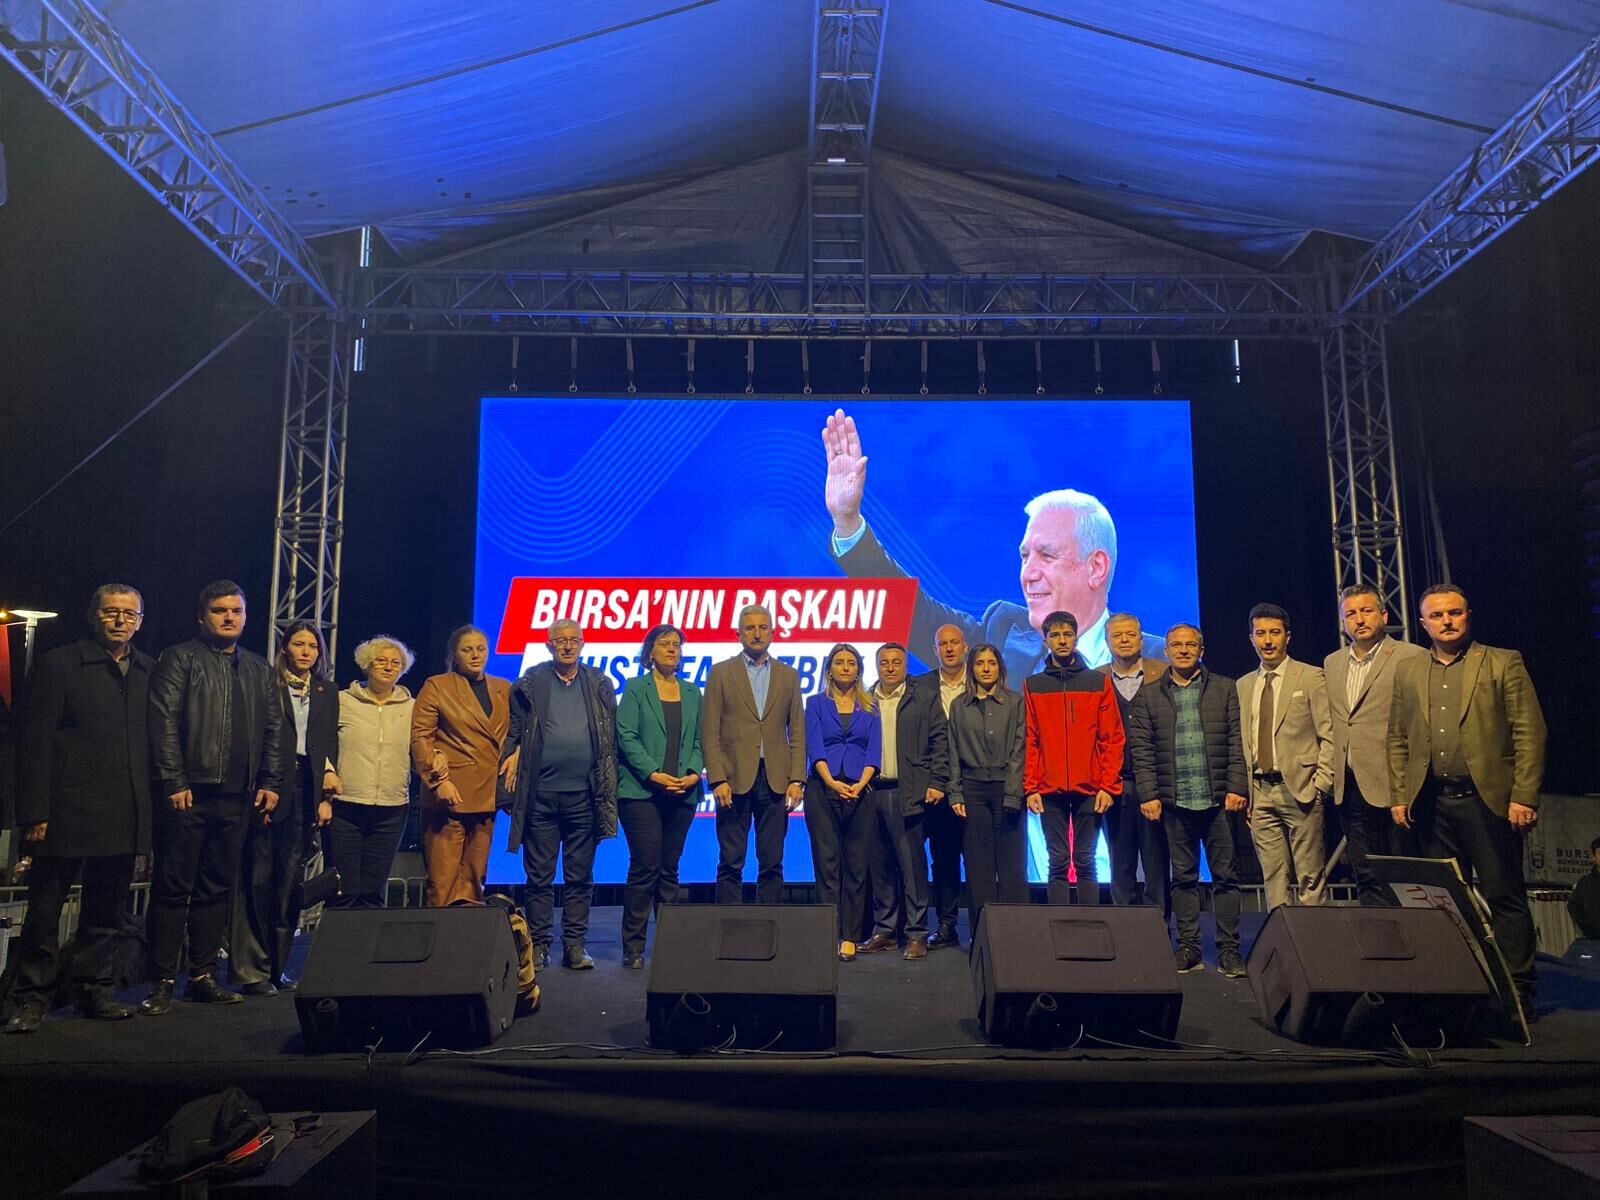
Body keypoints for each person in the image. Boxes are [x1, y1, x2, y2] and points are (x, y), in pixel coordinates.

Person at [822, 409, 1164, 677]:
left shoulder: (1162, 658)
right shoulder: (1001, 635)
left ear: (1096, 567)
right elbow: (914, 614)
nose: (1029, 574)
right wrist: (848, 523)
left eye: (1047, 556)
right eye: (1025, 557)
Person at [1388, 584, 1547, 1013]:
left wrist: (1524, 796)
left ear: (1468, 615)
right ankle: (1458, 987)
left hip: (1487, 802)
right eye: (1437, 615)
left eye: (1454, 613)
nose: (1447, 621)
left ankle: (1517, 990)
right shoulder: (1408, 671)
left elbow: (1529, 732)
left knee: (1503, 895)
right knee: (1443, 902)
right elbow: (1397, 737)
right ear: (1423, 623)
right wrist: (1400, 794)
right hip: (1431, 804)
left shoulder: (1502, 662)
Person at [8, 586, 153, 1032]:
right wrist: (34, 811)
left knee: (107, 913)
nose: (120, 620)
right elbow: (33, 743)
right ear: (93, 616)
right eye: (111, 612)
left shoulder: (149, 670)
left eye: (129, 613)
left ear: (140, 621)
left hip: (123, 811)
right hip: (63, 809)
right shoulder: (59, 664)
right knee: (44, 913)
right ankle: (31, 998)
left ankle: (94, 989)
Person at [142, 581, 284, 1014]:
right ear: (202, 616)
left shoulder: (258, 668)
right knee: (173, 887)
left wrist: (271, 781)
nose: (229, 617)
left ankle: (202, 976)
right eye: (220, 610)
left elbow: (274, 730)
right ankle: (162, 980)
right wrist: (173, 780)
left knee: (216, 888)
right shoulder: (179, 657)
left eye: (236, 611)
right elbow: (163, 721)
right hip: (189, 793)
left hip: (238, 796)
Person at [1127, 623, 1248, 977]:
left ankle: (1229, 950)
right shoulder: (1149, 695)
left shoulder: (1225, 688)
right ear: (1165, 651)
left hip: (1218, 801)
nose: (1183, 650)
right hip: (1174, 802)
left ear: (1201, 650)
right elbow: (1142, 751)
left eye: (1190, 645)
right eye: (1176, 645)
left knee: (1225, 878)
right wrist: (1149, 794)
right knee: (1183, 878)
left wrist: (1237, 787)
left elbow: (1238, 741)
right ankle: (1190, 948)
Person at [229, 621, 339, 995]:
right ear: (285, 648)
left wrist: (326, 798)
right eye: (298, 644)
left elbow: (328, 744)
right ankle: (251, 970)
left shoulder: (326, 691)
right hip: (271, 784)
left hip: (307, 789)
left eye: (313, 645)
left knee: (289, 882)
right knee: (258, 878)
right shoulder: (267, 683)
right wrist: (265, 782)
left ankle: (278, 968)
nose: (306, 651)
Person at [502, 620, 618, 969]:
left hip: (585, 796)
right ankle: (539, 945)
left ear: (582, 644)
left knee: (580, 877)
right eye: (560, 641)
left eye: (574, 640)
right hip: (540, 796)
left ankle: (575, 946)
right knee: (539, 877)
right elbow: (515, 732)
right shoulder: (530, 683)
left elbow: (610, 736)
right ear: (549, 645)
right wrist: (510, 762)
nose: (567, 646)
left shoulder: (599, 683)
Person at [1323, 585, 1426, 906]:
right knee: (1365, 873)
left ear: (1383, 614)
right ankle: (1378, 933)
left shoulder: (1411, 656)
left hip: (1395, 784)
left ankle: (1412, 933)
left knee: (1405, 874)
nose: (1359, 619)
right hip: (1350, 784)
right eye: (1350, 614)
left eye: (1366, 611)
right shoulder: (1332, 662)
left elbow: (1419, 722)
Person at [702, 605, 807, 905]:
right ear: (738, 634)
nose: (757, 633)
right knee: (730, 861)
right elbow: (709, 730)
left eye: (763, 628)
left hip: (776, 780)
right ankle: (727, 924)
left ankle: (769, 924)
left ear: (773, 633)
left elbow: (797, 731)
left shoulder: (788, 675)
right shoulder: (720, 673)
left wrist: (797, 779)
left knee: (772, 862)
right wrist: (717, 779)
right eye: (750, 628)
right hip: (732, 780)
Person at [615, 624, 702, 969]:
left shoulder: (693, 692)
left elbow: (701, 739)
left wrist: (693, 772)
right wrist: (653, 773)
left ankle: (669, 946)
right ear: (650, 651)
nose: (671, 649)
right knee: (645, 866)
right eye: (664, 644)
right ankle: (633, 947)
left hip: (683, 792)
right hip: (641, 792)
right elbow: (626, 736)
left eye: (676, 644)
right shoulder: (635, 688)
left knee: (669, 869)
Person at [1237, 604, 1334, 911]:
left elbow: (1329, 734)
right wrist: (1248, 793)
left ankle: (1314, 937)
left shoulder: (1310, 677)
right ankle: (1282, 935)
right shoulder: (1244, 685)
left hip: (1301, 789)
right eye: (1261, 633)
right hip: (1260, 791)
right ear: (1251, 638)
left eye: (1274, 633)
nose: (1268, 641)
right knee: (1273, 877)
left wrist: (1321, 785)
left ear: (1287, 637)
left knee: (1310, 877)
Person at [1023, 610, 1123, 905]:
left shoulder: (1097, 682)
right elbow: (1030, 739)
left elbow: (1112, 737)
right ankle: (1058, 924)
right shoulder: (1033, 685)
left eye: (1067, 634)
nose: (1062, 640)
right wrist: (1030, 787)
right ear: (1045, 641)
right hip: (1048, 788)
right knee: (1056, 861)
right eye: (1055, 635)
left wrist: (1108, 786)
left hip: (1090, 788)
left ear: (1076, 638)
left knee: (1085, 860)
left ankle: (1090, 924)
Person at [410, 625, 510, 908]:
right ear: (455, 655)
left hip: (488, 795)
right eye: (467, 650)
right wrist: (438, 782)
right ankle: (440, 936)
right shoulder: (437, 685)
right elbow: (420, 737)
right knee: (442, 882)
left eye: (481, 649)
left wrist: (515, 756)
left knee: (475, 878)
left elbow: (516, 733)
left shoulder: (503, 688)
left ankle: (467, 934)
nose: (476, 655)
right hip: (449, 796)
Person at [860, 642, 946, 961]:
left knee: (912, 867)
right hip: (871, 793)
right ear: (877, 665)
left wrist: (937, 782)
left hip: (908, 791)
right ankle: (885, 930)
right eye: (885, 662)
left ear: (905, 665)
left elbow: (940, 741)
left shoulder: (924, 697)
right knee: (879, 866)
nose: (891, 667)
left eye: (897, 662)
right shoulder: (864, 699)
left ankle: (917, 933)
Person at [323, 635, 415, 910]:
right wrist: (327, 771)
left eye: (395, 663)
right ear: (366, 664)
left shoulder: (413, 707)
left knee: (373, 891)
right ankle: (337, 939)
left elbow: (425, 745)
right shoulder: (342, 700)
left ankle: (368, 939)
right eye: (381, 661)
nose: (388, 667)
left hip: (392, 809)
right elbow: (321, 741)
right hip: (346, 806)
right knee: (343, 890)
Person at [804, 643, 882, 961]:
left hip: (861, 790)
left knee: (857, 866)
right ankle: (828, 934)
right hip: (823, 789)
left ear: (858, 670)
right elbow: (814, 746)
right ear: (829, 669)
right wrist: (831, 782)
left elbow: (874, 751)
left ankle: (850, 935)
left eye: (851, 662)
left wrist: (860, 784)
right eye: (840, 662)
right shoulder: (815, 703)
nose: (846, 667)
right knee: (827, 866)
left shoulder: (871, 705)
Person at [948, 643, 1027, 926]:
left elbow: (1020, 749)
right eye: (980, 663)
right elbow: (953, 751)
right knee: (978, 866)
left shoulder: (1015, 702)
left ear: (1000, 668)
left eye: (991, 663)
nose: (986, 669)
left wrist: (1013, 793)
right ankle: (982, 931)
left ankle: (1015, 930)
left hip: (1006, 788)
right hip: (972, 790)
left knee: (1012, 866)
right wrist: (955, 792)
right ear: (971, 668)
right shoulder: (959, 705)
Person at [1101, 612, 1169, 912]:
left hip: (1155, 784)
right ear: (1107, 641)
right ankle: (1125, 929)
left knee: (1157, 862)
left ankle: (1159, 928)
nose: (1125, 640)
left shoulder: (1163, 674)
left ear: (1141, 639)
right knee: (1120, 863)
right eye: (1117, 635)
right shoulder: (1096, 679)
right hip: (1115, 784)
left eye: (1131, 634)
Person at [922, 623, 970, 948]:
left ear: (965, 646)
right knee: (942, 859)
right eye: (943, 643)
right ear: (935, 650)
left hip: (975, 785)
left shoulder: (981, 681)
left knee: (978, 861)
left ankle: (985, 924)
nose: (949, 648)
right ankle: (946, 924)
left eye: (955, 642)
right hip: (936, 786)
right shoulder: (921, 686)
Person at [1570, 836, 1600, 940]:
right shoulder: (1585, 883)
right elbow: (1574, 907)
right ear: (1594, 857)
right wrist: (1589, 928)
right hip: (1594, 940)